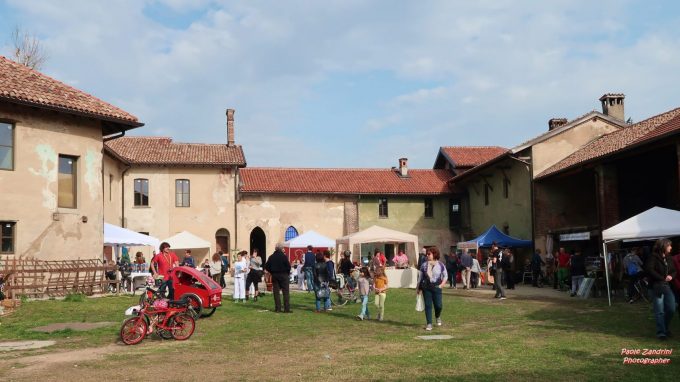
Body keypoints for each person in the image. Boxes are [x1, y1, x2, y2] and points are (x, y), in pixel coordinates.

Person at [644, 239, 676, 340]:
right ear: (663, 246)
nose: (671, 247)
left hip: (666, 286)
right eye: (669, 246)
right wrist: (662, 278)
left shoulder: (669, 258)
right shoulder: (653, 257)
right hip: (656, 287)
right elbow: (649, 269)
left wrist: (671, 276)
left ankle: (665, 328)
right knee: (660, 311)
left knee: (671, 308)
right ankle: (661, 332)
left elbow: (674, 270)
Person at [417, 246, 448, 331]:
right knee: (428, 305)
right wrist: (418, 288)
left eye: (429, 254)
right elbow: (420, 277)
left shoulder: (440, 265)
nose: (427, 255)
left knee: (439, 305)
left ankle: (437, 316)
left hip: (437, 286)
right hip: (426, 287)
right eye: (427, 254)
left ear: (434, 254)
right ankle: (429, 323)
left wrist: (442, 284)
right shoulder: (424, 265)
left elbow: (445, 275)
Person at [264, 243, 292, 313]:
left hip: (275, 275)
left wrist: (272, 272)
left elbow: (266, 267)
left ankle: (278, 308)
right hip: (284, 275)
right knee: (285, 292)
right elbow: (288, 266)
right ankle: (286, 309)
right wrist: (287, 273)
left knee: (276, 292)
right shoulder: (284, 256)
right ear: (282, 249)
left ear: (275, 248)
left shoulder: (271, 257)